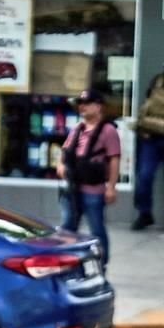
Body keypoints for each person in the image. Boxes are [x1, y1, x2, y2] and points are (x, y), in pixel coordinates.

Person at [56, 89, 120, 265]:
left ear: (98, 107)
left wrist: (111, 187)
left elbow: (114, 159)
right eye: (80, 104)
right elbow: (64, 152)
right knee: (67, 229)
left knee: (97, 230)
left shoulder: (108, 131)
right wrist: (61, 166)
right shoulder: (77, 129)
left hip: (94, 191)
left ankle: (101, 264)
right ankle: (64, 263)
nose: (82, 107)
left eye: (87, 103)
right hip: (72, 188)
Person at [132, 67, 164, 230]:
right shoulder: (157, 80)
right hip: (151, 138)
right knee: (144, 176)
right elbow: (146, 106)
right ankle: (145, 214)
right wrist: (143, 128)